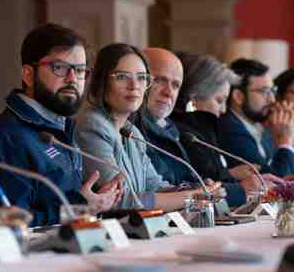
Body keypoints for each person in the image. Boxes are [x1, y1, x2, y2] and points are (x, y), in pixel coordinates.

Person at [0, 24, 121, 226]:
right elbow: (9, 224)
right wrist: (78, 206)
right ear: (28, 75)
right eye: (60, 68)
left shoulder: (61, 128)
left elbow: (60, 200)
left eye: (80, 70)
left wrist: (95, 199)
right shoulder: (6, 138)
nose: (73, 79)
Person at [76, 43, 206, 211]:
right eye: (122, 77)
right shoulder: (92, 126)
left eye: (142, 77)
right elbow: (120, 199)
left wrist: (196, 189)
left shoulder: (131, 131)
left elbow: (154, 186)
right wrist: (189, 198)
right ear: (101, 81)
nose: (134, 86)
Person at [135, 48, 260, 207]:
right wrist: (234, 189)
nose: (168, 92)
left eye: (175, 85)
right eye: (159, 80)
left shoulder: (174, 130)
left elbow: (179, 185)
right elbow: (154, 191)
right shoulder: (135, 130)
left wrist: (200, 187)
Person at [217, 58, 294, 179]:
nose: (272, 100)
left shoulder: (264, 127)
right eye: (264, 91)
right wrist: (285, 140)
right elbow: (275, 184)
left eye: (272, 91)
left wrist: (291, 138)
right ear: (238, 96)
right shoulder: (230, 129)